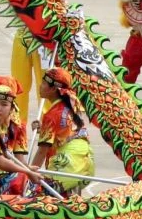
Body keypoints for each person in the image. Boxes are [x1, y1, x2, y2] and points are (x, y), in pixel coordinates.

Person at [30, 67, 95, 196]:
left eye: (43, 83)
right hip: (84, 162)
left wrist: (28, 174)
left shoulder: (51, 115)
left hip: (67, 163)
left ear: (53, 89)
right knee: (72, 202)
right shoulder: (69, 107)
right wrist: (43, 128)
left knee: (40, 198)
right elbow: (63, 131)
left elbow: (42, 151)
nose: (40, 86)